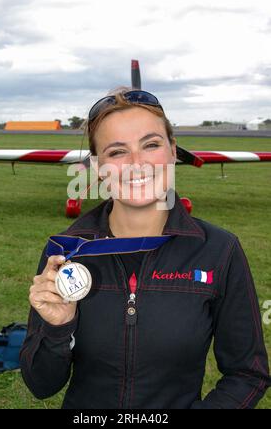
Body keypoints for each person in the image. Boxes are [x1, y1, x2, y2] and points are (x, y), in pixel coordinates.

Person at [20, 88, 270, 409]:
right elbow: (41, 385)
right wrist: (57, 328)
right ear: (97, 167)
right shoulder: (67, 250)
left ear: (172, 152)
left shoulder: (220, 250)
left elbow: (248, 373)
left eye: (150, 145)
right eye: (117, 152)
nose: (137, 164)